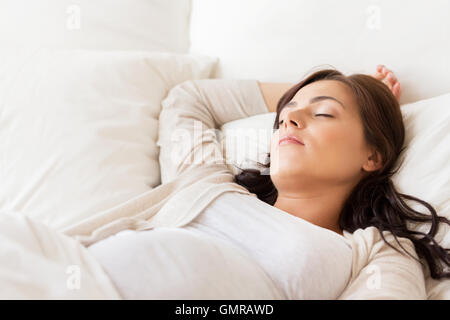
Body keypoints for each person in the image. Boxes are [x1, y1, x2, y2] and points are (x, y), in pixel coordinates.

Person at [84, 65, 449, 300]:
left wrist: (362, 97)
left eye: (323, 113)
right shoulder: (208, 181)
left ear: (373, 156)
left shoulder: (378, 252)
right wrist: (320, 90)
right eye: (283, 117)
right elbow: (189, 100)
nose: (289, 120)